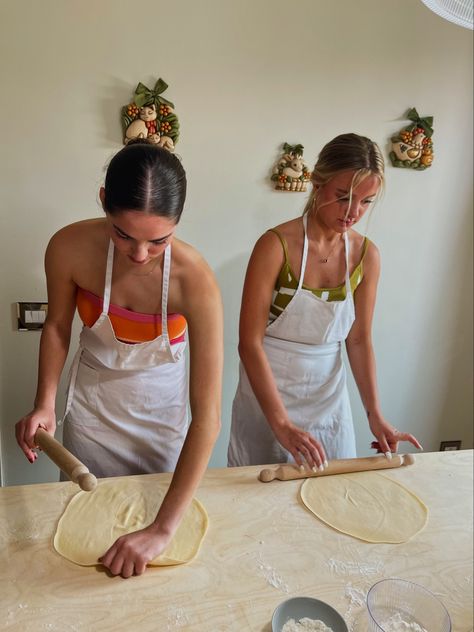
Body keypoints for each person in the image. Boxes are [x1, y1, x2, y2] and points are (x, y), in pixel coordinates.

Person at [15, 140, 223, 577]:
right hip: (93, 408)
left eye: (159, 241)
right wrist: (45, 402)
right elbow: (56, 327)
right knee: (85, 532)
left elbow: (207, 418)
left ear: (178, 223)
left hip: (161, 414)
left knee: (152, 547)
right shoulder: (69, 247)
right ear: (104, 202)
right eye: (123, 234)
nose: (140, 255)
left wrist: (163, 530)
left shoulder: (197, 280)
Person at [228, 133, 422, 469]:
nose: (353, 212)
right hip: (268, 398)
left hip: (328, 399)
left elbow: (359, 340)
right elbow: (249, 343)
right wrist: (281, 424)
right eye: (343, 197)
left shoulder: (367, 256)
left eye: (366, 201)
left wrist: (375, 414)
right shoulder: (275, 247)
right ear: (317, 184)